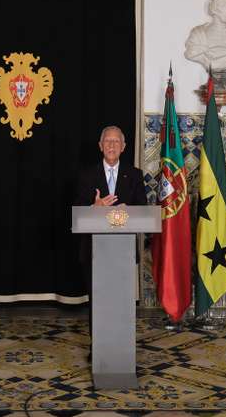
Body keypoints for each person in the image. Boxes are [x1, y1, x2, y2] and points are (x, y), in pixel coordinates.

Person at [74, 125, 147, 359]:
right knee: (99, 301)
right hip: (94, 252)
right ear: (100, 146)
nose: (112, 145)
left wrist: (131, 211)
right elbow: (76, 214)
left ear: (124, 147)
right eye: (108, 141)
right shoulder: (86, 175)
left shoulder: (134, 175)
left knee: (122, 302)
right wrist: (94, 208)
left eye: (117, 142)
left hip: (123, 253)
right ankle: (100, 347)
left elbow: (144, 211)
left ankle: (122, 347)